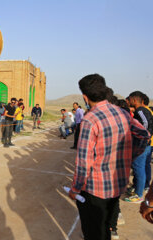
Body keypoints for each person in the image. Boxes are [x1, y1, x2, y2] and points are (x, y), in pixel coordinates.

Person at [68, 74, 150, 240]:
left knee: (94, 232)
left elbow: (84, 161)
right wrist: (130, 155)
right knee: (106, 226)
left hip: (95, 189)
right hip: (117, 184)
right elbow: (144, 135)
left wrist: (75, 188)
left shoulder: (90, 119)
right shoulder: (122, 112)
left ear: (85, 96)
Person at [124, 91, 153, 203]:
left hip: (142, 145)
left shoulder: (140, 111)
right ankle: (139, 189)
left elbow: (145, 124)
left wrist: (144, 137)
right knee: (140, 168)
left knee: (138, 168)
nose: (129, 101)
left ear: (134, 100)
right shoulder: (144, 110)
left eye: (130, 99)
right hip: (146, 144)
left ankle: (139, 195)